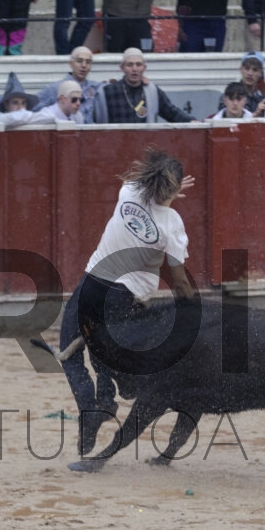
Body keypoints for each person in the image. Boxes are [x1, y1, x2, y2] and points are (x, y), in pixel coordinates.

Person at [61, 147, 197, 459]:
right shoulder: (172, 224)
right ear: (175, 188)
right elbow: (179, 281)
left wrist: (169, 189)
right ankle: (117, 389)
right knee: (108, 353)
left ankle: (91, 405)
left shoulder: (128, 192)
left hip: (92, 285)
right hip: (126, 298)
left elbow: (142, 184)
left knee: (70, 351)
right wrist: (192, 311)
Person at [91, 48, 197, 124]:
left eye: (138, 64)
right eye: (130, 65)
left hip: (145, 144)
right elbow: (94, 120)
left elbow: (172, 113)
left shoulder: (152, 91)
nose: (134, 69)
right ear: (122, 68)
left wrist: (192, 122)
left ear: (144, 68)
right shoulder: (108, 91)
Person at [36, 46, 101, 113]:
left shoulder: (95, 87)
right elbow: (34, 109)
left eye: (88, 62)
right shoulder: (55, 88)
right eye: (79, 61)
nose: (84, 65)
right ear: (71, 64)